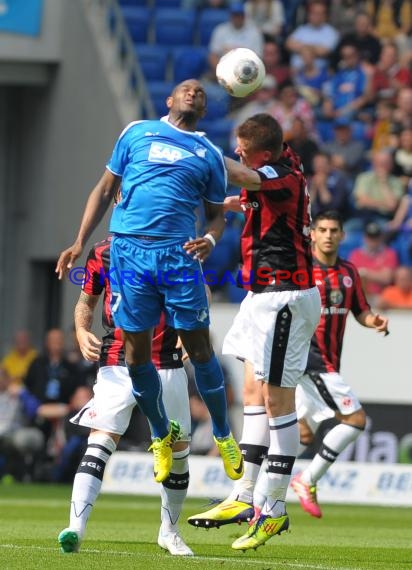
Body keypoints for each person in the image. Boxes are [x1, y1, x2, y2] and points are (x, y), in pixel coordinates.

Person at [56, 79, 243, 485]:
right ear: (170, 99)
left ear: (204, 110)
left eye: (201, 92)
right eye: (186, 88)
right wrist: (78, 241)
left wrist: (210, 238)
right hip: (129, 253)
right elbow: (105, 189)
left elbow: (216, 214)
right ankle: (160, 434)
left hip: (179, 254)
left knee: (199, 347)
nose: (194, 92)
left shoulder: (208, 152)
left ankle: (225, 434)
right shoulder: (137, 132)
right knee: (136, 354)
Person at [188, 210, 389, 530]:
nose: (327, 235)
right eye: (321, 229)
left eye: (333, 229)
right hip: (310, 361)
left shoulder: (347, 272)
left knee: (300, 433)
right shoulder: (300, 269)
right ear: (310, 233)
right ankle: (295, 486)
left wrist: (372, 320)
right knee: (353, 419)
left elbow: (360, 311)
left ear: (340, 235)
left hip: (318, 361)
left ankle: (258, 503)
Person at [189, 114, 322, 550]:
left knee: (277, 401)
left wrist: (194, 144)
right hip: (259, 296)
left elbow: (248, 175)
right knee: (251, 393)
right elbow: (253, 183)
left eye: (243, 148)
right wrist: (235, 204)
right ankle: (245, 496)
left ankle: (276, 510)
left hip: (286, 297)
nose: (238, 152)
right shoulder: (279, 166)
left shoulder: (282, 177)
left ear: (264, 155)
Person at [58, 237, 194, 556]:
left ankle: (169, 532)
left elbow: (201, 291)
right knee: (101, 439)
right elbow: (85, 302)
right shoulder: (102, 251)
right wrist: (80, 331)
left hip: (165, 360)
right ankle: (74, 530)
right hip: (117, 359)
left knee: (178, 449)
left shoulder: (178, 243)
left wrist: (194, 333)